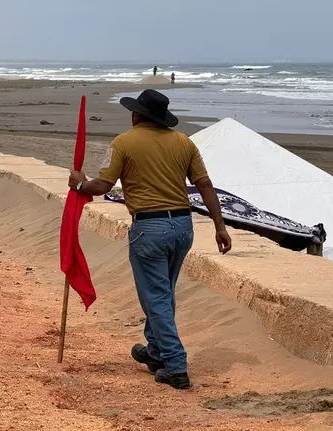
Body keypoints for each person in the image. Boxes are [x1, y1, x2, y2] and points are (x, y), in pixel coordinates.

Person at [68, 89, 231, 389]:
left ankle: (176, 364)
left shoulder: (124, 143)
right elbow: (205, 184)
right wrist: (220, 226)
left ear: (137, 114)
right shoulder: (184, 142)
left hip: (149, 227)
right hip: (183, 226)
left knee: (155, 297)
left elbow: (103, 184)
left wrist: (79, 185)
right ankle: (155, 351)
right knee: (164, 291)